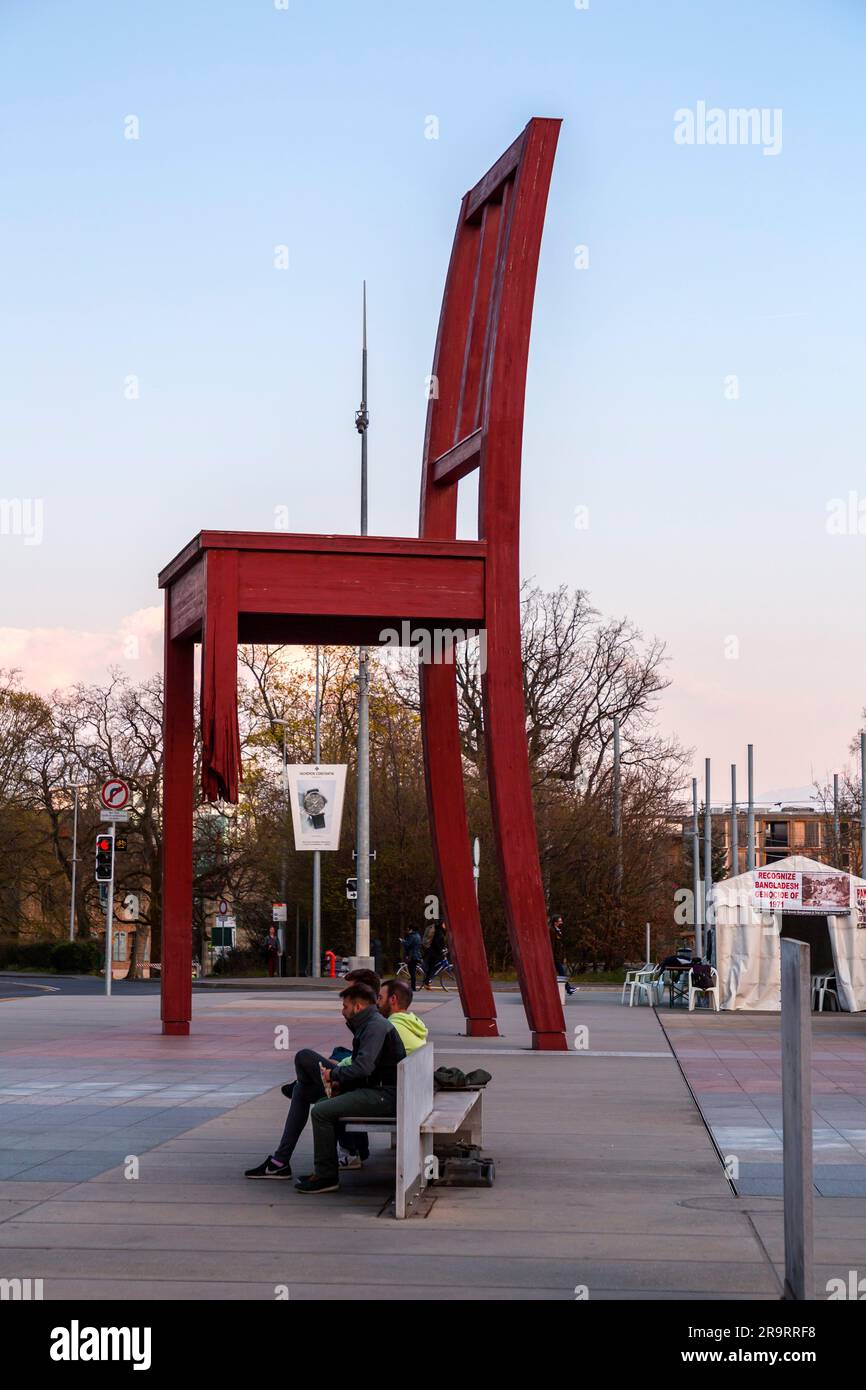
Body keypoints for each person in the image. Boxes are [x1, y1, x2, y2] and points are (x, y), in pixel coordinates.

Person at [296, 982, 406, 1193]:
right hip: (383, 1090)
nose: (342, 1011)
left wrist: (334, 1074)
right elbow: (369, 1069)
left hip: (386, 1095)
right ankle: (324, 1171)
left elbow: (363, 1068)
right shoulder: (370, 1024)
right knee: (323, 1103)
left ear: (358, 1007)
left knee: (321, 1111)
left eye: (345, 1006)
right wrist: (340, 1083)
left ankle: (326, 1177)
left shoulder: (374, 1027)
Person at [337, 977, 428, 1169]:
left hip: (391, 1092)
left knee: (330, 1096)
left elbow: (363, 1064)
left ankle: (351, 1152)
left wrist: (336, 1067)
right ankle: (355, 1150)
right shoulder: (410, 1021)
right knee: (338, 1057)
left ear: (392, 1000)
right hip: (405, 1085)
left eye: (380, 998)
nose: (376, 1003)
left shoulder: (391, 1026)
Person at [550, 915, 575, 995]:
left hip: (558, 957)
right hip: (555, 958)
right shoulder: (552, 931)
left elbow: (561, 946)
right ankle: (568, 989)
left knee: (561, 974)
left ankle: (568, 989)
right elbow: (552, 946)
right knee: (562, 973)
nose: (561, 923)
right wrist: (553, 958)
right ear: (555, 922)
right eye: (560, 921)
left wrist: (563, 956)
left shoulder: (558, 931)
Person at [421, 920, 446, 989]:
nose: (445, 925)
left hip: (433, 951)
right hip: (433, 952)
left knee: (433, 966)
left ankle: (428, 980)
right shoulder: (439, 932)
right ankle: (427, 982)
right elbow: (437, 942)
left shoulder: (439, 931)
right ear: (441, 924)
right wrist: (441, 949)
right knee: (432, 967)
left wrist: (443, 948)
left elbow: (440, 942)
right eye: (444, 924)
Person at [401, 926, 423, 991]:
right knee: (412, 972)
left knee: (412, 972)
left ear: (411, 929)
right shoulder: (418, 936)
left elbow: (408, 944)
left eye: (409, 929)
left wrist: (402, 941)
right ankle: (412, 986)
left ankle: (413, 987)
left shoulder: (412, 936)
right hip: (416, 955)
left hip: (412, 956)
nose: (408, 931)